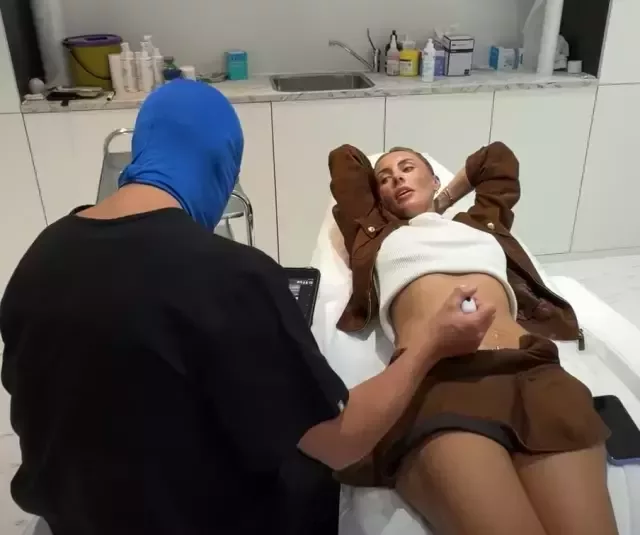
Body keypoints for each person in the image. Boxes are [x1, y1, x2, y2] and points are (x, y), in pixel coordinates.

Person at [0, 80, 495, 535]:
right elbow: (343, 443)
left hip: (69, 520)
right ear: (221, 169)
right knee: (312, 472)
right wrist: (428, 345)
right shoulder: (231, 276)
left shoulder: (41, 255)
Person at [328, 144, 618, 535]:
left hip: (532, 374)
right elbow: (344, 160)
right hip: (439, 380)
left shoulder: (479, 224)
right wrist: (393, 200)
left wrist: (441, 202)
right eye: (385, 177)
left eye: (407, 168)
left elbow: (496, 159)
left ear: (434, 179)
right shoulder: (377, 233)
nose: (396, 177)